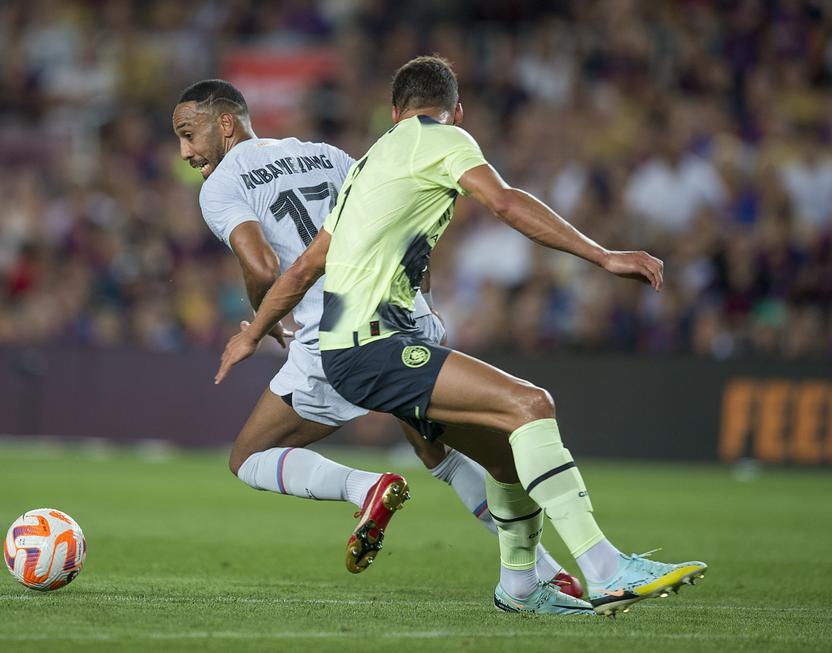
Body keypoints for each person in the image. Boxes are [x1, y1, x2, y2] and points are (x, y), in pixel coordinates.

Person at [214, 56, 707, 616]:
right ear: (456, 112)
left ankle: (522, 588)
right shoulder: (440, 137)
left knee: (506, 460)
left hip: (355, 344)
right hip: (372, 344)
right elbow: (504, 201)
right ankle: (608, 570)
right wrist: (603, 255)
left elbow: (303, 269)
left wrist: (252, 333)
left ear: (393, 111)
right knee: (530, 405)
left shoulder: (368, 165)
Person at [173, 79, 580, 593]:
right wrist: (422, 302)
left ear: (225, 124)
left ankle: (364, 487)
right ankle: (545, 571)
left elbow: (262, 263)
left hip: (334, 336)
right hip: (404, 315)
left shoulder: (221, 185)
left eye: (189, 135)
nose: (186, 151)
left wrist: (265, 318)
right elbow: (401, 223)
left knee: (248, 458)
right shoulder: (324, 153)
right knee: (441, 453)